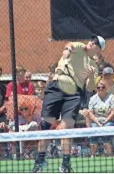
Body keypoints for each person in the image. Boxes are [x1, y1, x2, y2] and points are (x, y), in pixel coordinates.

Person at [32, 35, 105, 173]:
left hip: (73, 93)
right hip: (57, 86)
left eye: (95, 43)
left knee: (68, 128)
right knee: (46, 125)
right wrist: (66, 51)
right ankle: (40, 161)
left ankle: (65, 164)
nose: (91, 42)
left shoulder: (94, 66)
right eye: (91, 40)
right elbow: (69, 45)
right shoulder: (79, 47)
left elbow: (89, 88)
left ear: (99, 50)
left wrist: (90, 76)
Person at [82, 80, 114, 157]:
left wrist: (105, 122)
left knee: (106, 128)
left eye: (103, 87)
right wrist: (98, 123)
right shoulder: (92, 99)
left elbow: (113, 112)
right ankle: (92, 155)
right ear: (96, 88)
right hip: (96, 121)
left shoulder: (112, 97)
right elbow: (91, 113)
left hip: (110, 121)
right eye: (98, 87)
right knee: (93, 129)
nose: (100, 89)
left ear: (106, 88)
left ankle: (110, 154)